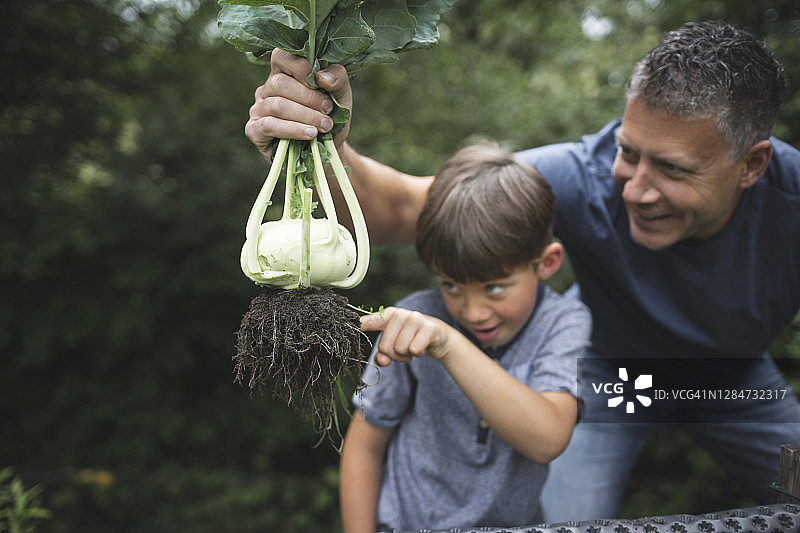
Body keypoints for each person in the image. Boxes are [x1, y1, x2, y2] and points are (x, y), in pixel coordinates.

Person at [245, 20, 800, 524]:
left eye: (673, 169)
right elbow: (407, 209)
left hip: (735, 380)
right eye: (629, 153)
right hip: (606, 376)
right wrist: (325, 139)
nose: (634, 187)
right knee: (563, 526)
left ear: (752, 165)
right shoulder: (580, 175)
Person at [339, 142, 591, 532]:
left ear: (547, 263)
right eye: (451, 285)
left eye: (494, 288)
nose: (472, 313)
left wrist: (450, 345)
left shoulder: (562, 323)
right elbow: (365, 443)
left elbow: (547, 439)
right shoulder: (413, 322)